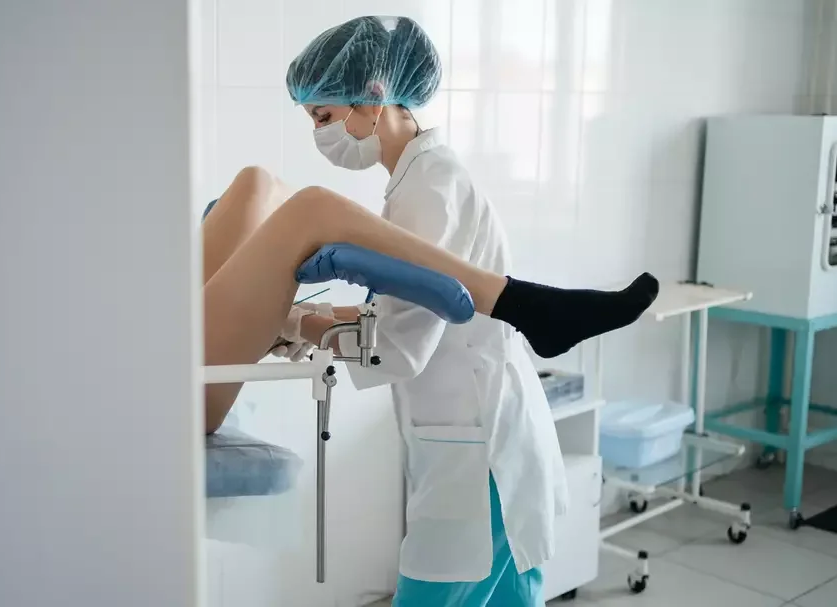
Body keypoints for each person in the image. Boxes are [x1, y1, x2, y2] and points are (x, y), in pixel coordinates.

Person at [273, 16, 660, 607]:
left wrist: (303, 325)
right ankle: (545, 310)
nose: (320, 135)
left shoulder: (428, 187)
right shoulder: (417, 180)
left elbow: (401, 344)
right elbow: (403, 306)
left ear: (373, 98)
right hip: (474, 440)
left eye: (323, 117)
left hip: (477, 452)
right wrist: (321, 322)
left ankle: (546, 311)